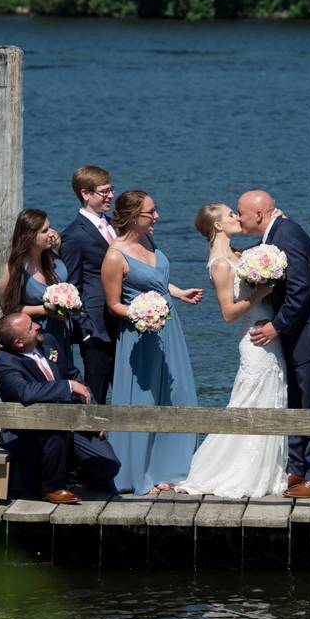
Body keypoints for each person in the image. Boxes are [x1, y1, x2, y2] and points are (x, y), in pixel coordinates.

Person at [238, 190, 310, 498]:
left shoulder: (287, 236)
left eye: (242, 213)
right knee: (297, 400)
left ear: (259, 215)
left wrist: (275, 326)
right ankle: (298, 468)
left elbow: (301, 290)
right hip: (300, 334)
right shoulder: (276, 233)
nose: (239, 217)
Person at [174, 203, 288, 498]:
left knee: (271, 397)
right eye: (231, 215)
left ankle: (271, 467)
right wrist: (262, 292)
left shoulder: (238, 255)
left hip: (268, 334)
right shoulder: (220, 264)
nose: (238, 217)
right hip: (254, 339)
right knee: (250, 400)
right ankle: (240, 470)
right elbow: (228, 313)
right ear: (219, 226)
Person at [100, 190, 203, 495]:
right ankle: (135, 472)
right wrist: (140, 315)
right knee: (142, 400)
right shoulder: (114, 256)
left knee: (178, 395)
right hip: (139, 335)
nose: (157, 217)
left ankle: (172, 468)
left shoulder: (148, 241)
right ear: (133, 216)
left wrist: (178, 292)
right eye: (151, 212)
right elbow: (113, 304)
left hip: (169, 330)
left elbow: (154, 279)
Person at [0, 312, 120, 504]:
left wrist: (91, 412)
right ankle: (52, 487)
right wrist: (66, 386)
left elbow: (73, 374)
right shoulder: (4, 364)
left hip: (69, 419)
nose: (37, 326)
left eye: (33, 321)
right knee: (55, 428)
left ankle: (68, 475)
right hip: (31, 431)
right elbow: (25, 392)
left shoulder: (48, 342)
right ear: (18, 343)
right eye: (30, 327)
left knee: (109, 465)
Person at [60, 165, 119, 404]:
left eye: (111, 189)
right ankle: (89, 437)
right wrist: (84, 332)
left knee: (127, 389)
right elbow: (72, 287)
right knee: (97, 391)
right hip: (96, 329)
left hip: (121, 322)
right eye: (104, 191)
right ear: (85, 194)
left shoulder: (114, 225)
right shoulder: (74, 235)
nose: (111, 196)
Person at [0, 208, 71, 352]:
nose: (51, 233)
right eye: (44, 231)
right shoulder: (15, 269)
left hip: (62, 331)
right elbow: (9, 309)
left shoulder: (52, 250)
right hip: (36, 335)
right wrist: (46, 310)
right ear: (29, 237)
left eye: (50, 227)